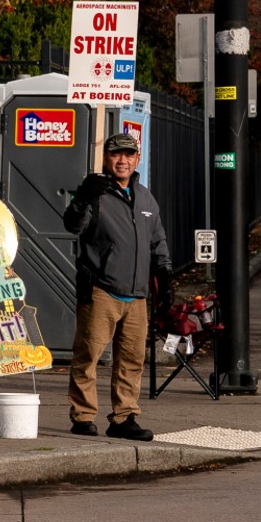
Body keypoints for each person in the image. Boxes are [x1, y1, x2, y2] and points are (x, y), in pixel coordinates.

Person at [61, 132, 171, 441]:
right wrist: (81, 199)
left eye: (128, 154)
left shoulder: (146, 198)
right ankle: (82, 416)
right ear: (106, 159)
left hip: (136, 295)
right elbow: (73, 224)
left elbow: (157, 242)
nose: (122, 159)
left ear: (137, 159)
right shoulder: (95, 192)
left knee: (132, 360)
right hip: (101, 289)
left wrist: (166, 277)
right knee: (88, 356)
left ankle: (124, 418)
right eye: (115, 154)